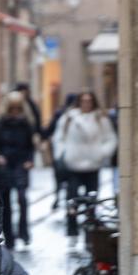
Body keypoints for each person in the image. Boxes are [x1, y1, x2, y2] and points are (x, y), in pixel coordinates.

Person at [51, 91, 116, 235]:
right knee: (72, 198)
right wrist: (63, 154)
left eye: (89, 101)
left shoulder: (100, 118)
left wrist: (102, 153)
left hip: (93, 164)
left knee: (92, 200)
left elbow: (110, 138)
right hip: (73, 164)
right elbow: (58, 138)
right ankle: (72, 228)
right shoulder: (69, 118)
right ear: (79, 102)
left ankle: (90, 231)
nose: (86, 104)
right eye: (83, 101)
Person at [0, 91, 38, 248]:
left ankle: (24, 232)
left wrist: (30, 160)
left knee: (22, 198)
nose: (15, 111)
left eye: (18, 108)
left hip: (21, 163)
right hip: (5, 164)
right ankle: (9, 236)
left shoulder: (26, 123)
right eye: (13, 108)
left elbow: (31, 146)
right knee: (5, 202)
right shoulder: (0, 123)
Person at [43, 92, 78, 210]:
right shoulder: (67, 114)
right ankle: (69, 201)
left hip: (61, 154)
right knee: (71, 181)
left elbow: (48, 131)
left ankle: (58, 198)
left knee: (59, 179)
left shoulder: (59, 113)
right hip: (67, 153)